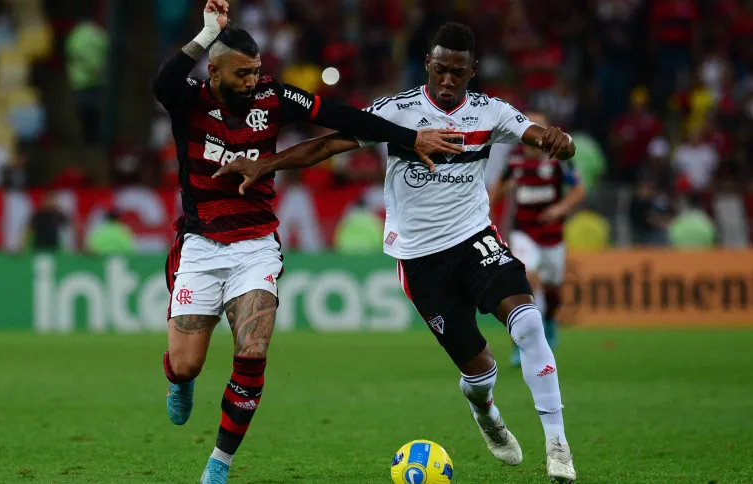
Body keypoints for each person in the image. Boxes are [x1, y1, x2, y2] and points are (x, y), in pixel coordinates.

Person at [215, 22, 578, 483]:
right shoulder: (398, 112)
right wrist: (267, 163)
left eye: (458, 73)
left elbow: (538, 134)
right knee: (480, 370)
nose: (448, 81)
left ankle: (557, 446)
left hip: (475, 240)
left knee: (527, 321)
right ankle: (485, 410)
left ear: (473, 72)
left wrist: (557, 142)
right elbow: (330, 143)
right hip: (422, 261)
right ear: (428, 64)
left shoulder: (491, 112)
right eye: (441, 70)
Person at [153, 2, 463, 483]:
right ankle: (178, 380)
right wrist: (206, 32)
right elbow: (162, 84)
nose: (252, 81)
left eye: (257, 71)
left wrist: (409, 137)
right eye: (241, 74)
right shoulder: (190, 98)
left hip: (255, 244)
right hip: (200, 243)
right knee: (186, 363)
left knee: (252, 352)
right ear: (213, 71)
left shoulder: (273, 97)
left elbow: (343, 117)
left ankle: (219, 463)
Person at [488, 111, 586, 366]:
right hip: (524, 232)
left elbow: (578, 190)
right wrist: (486, 216)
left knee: (553, 287)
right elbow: (498, 188)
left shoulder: (558, 159)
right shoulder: (515, 159)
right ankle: (520, 345)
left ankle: (550, 320)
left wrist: (559, 209)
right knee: (525, 284)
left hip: (552, 235)